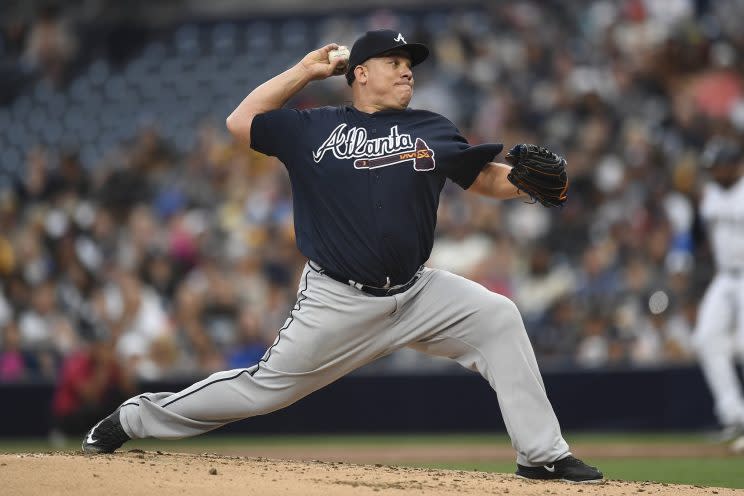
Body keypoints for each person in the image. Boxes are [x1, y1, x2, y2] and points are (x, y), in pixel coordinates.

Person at [82, 29, 602, 484]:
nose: (406, 72)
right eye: (394, 64)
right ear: (359, 74)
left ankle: (542, 456)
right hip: (338, 300)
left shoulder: (432, 127)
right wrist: (304, 72)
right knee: (261, 390)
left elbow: (481, 177)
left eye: (409, 65)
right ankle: (133, 419)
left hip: (417, 292)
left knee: (498, 317)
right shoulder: (313, 127)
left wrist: (525, 184)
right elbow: (240, 122)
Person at [692, 137, 744, 448]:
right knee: (706, 339)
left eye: (719, 166)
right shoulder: (710, 194)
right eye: (712, 167)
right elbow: (702, 237)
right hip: (725, 277)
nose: (715, 172)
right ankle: (734, 416)